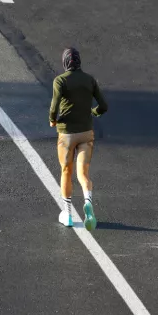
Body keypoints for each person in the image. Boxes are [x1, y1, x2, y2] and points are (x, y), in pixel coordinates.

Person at [49, 47, 108, 230]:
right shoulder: (89, 80)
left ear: (65, 62)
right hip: (86, 132)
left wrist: (52, 119)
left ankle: (67, 214)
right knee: (83, 173)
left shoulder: (60, 80)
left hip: (66, 134)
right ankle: (88, 201)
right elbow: (103, 106)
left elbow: (54, 104)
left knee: (66, 170)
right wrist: (93, 112)